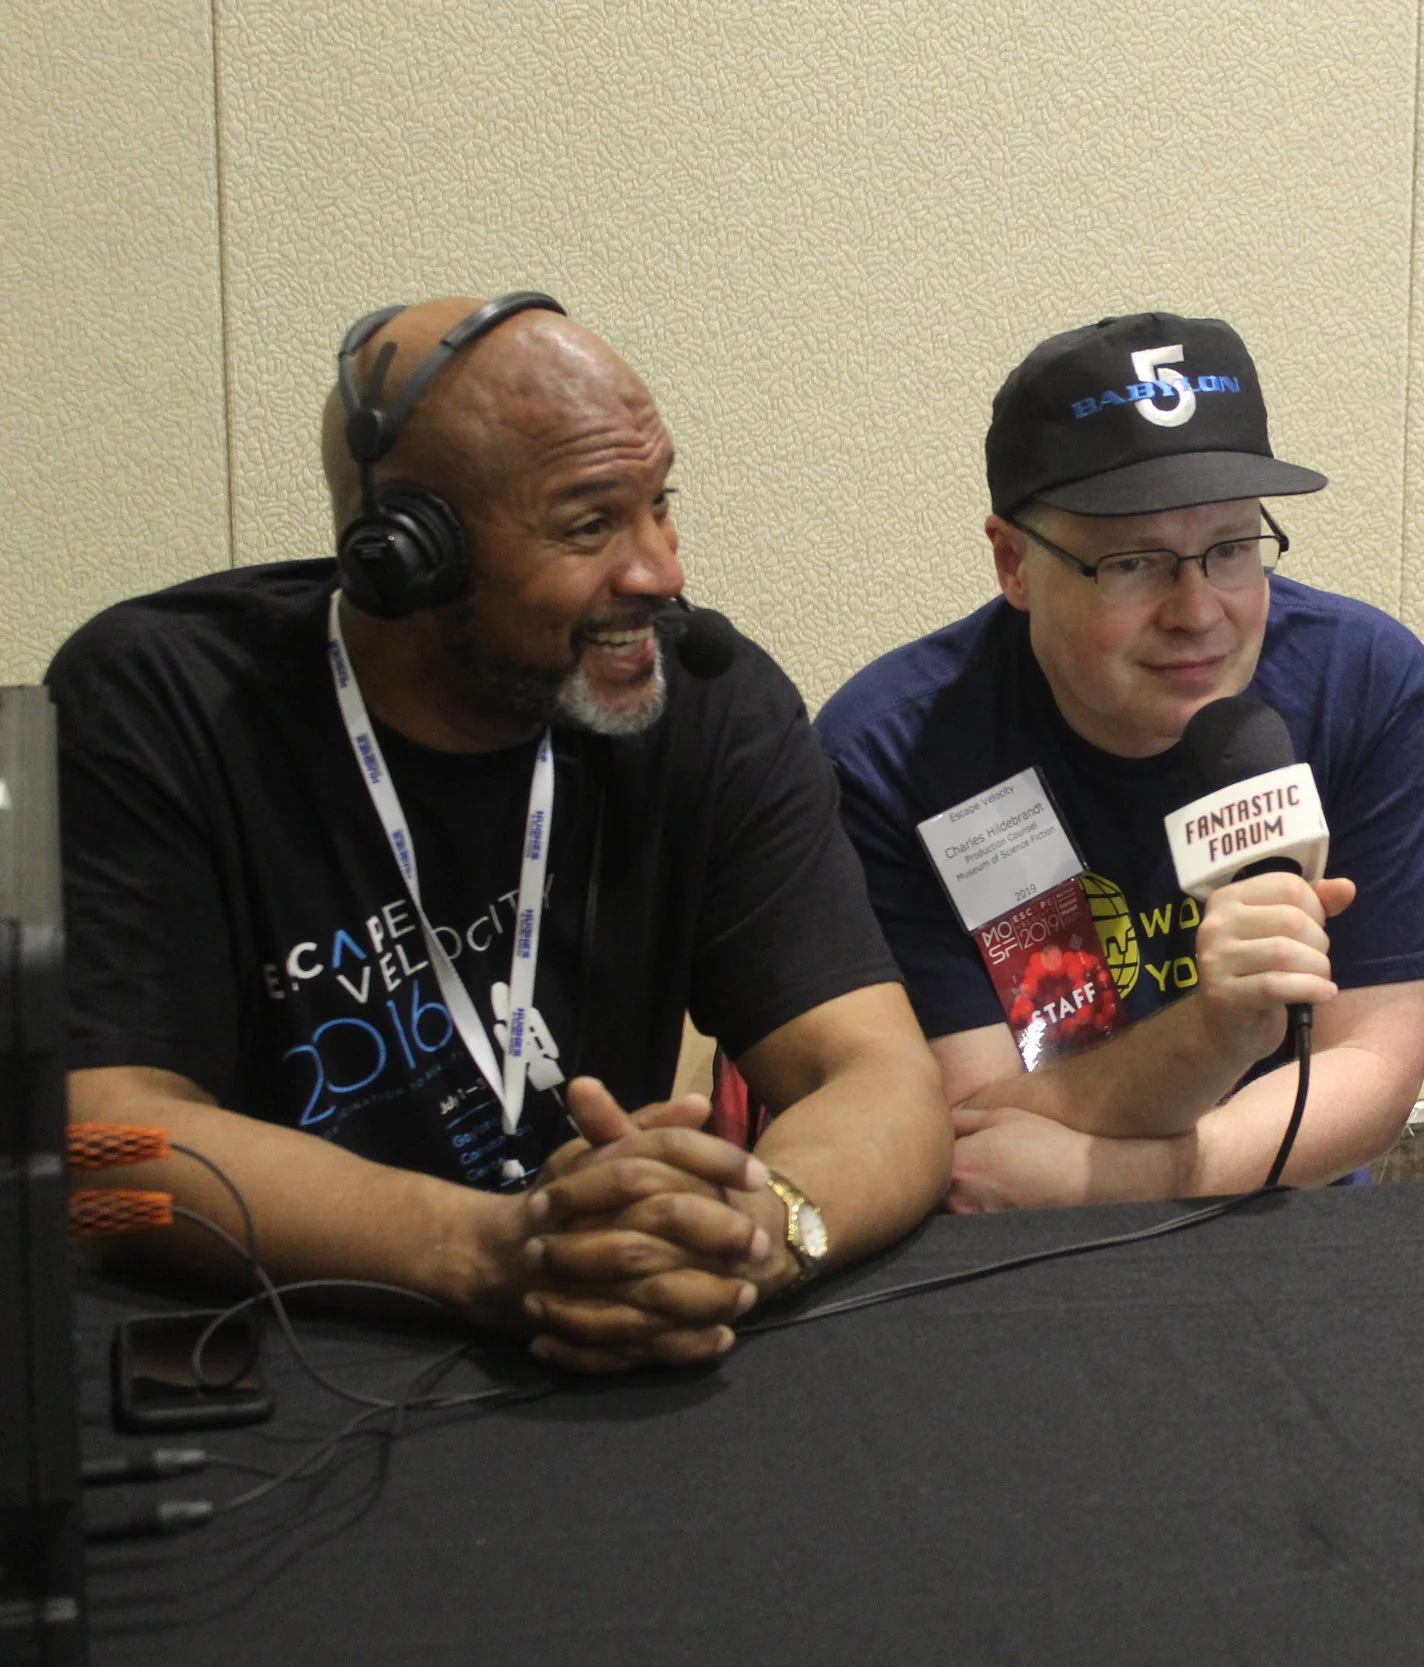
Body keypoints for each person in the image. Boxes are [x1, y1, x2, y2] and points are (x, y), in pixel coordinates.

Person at [50, 293, 951, 1371]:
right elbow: (99, 1154)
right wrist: (481, 1248)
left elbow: (888, 1080)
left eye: (659, 503)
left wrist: (758, 1232)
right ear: (407, 557)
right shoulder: (160, 702)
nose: (661, 571)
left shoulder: (705, 700)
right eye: (589, 524)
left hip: (614, 1354)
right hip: (294, 1362)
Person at [814, 312, 1424, 1209]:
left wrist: (1140, 1177)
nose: (1197, 612)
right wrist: (1218, 1029)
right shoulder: (891, 755)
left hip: (1282, 1216)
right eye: (1134, 563)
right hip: (1016, 1249)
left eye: (1231, 550)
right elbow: (974, 1132)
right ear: (1013, 563)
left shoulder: (1364, 684)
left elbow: (1370, 1065)